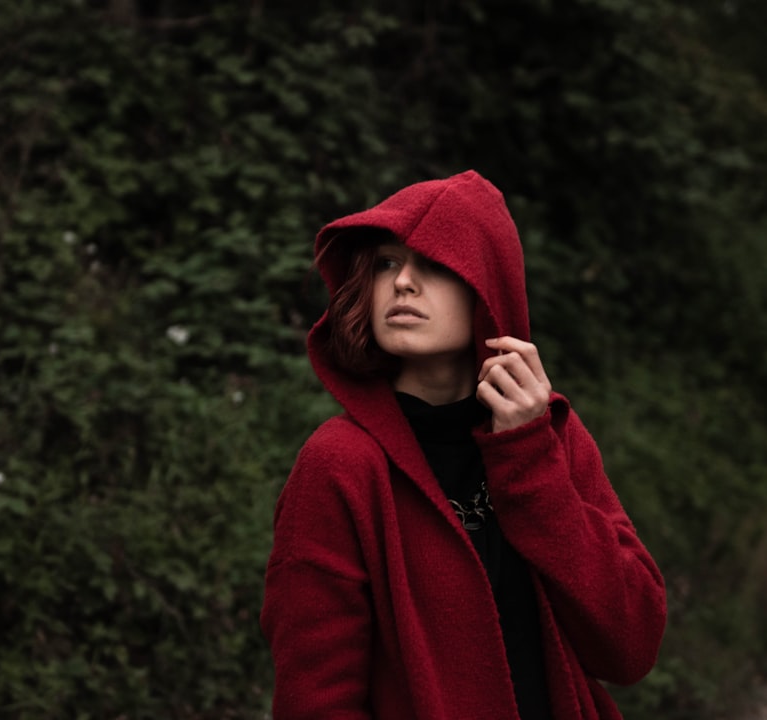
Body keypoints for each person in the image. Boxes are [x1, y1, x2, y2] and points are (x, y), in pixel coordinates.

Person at [260, 170, 667, 719]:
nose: (402, 282)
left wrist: (527, 457)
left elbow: (630, 647)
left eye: (432, 263)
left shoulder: (550, 436)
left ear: (485, 287)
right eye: (386, 263)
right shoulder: (340, 464)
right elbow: (315, 701)